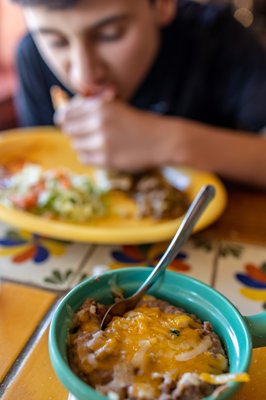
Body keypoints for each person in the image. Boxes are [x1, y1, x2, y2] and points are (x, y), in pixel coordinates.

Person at [12, 0, 266, 188]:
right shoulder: (31, 57)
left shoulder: (217, 40)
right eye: (57, 42)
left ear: (162, 5)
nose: (84, 75)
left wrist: (165, 140)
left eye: (110, 35)